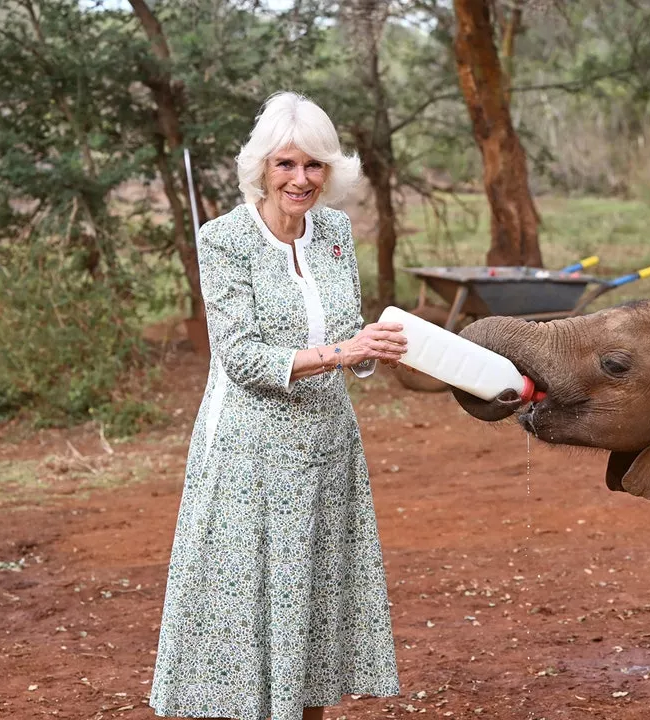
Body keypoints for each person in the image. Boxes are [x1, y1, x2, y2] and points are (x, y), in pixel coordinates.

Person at [150, 92, 408, 720]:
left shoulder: (337, 234)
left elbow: (346, 331)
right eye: (286, 165)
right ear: (262, 167)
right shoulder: (225, 240)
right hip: (251, 457)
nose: (300, 180)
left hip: (327, 448)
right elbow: (242, 358)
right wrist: (346, 351)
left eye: (314, 166)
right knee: (250, 611)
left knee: (315, 603)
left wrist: (375, 347)